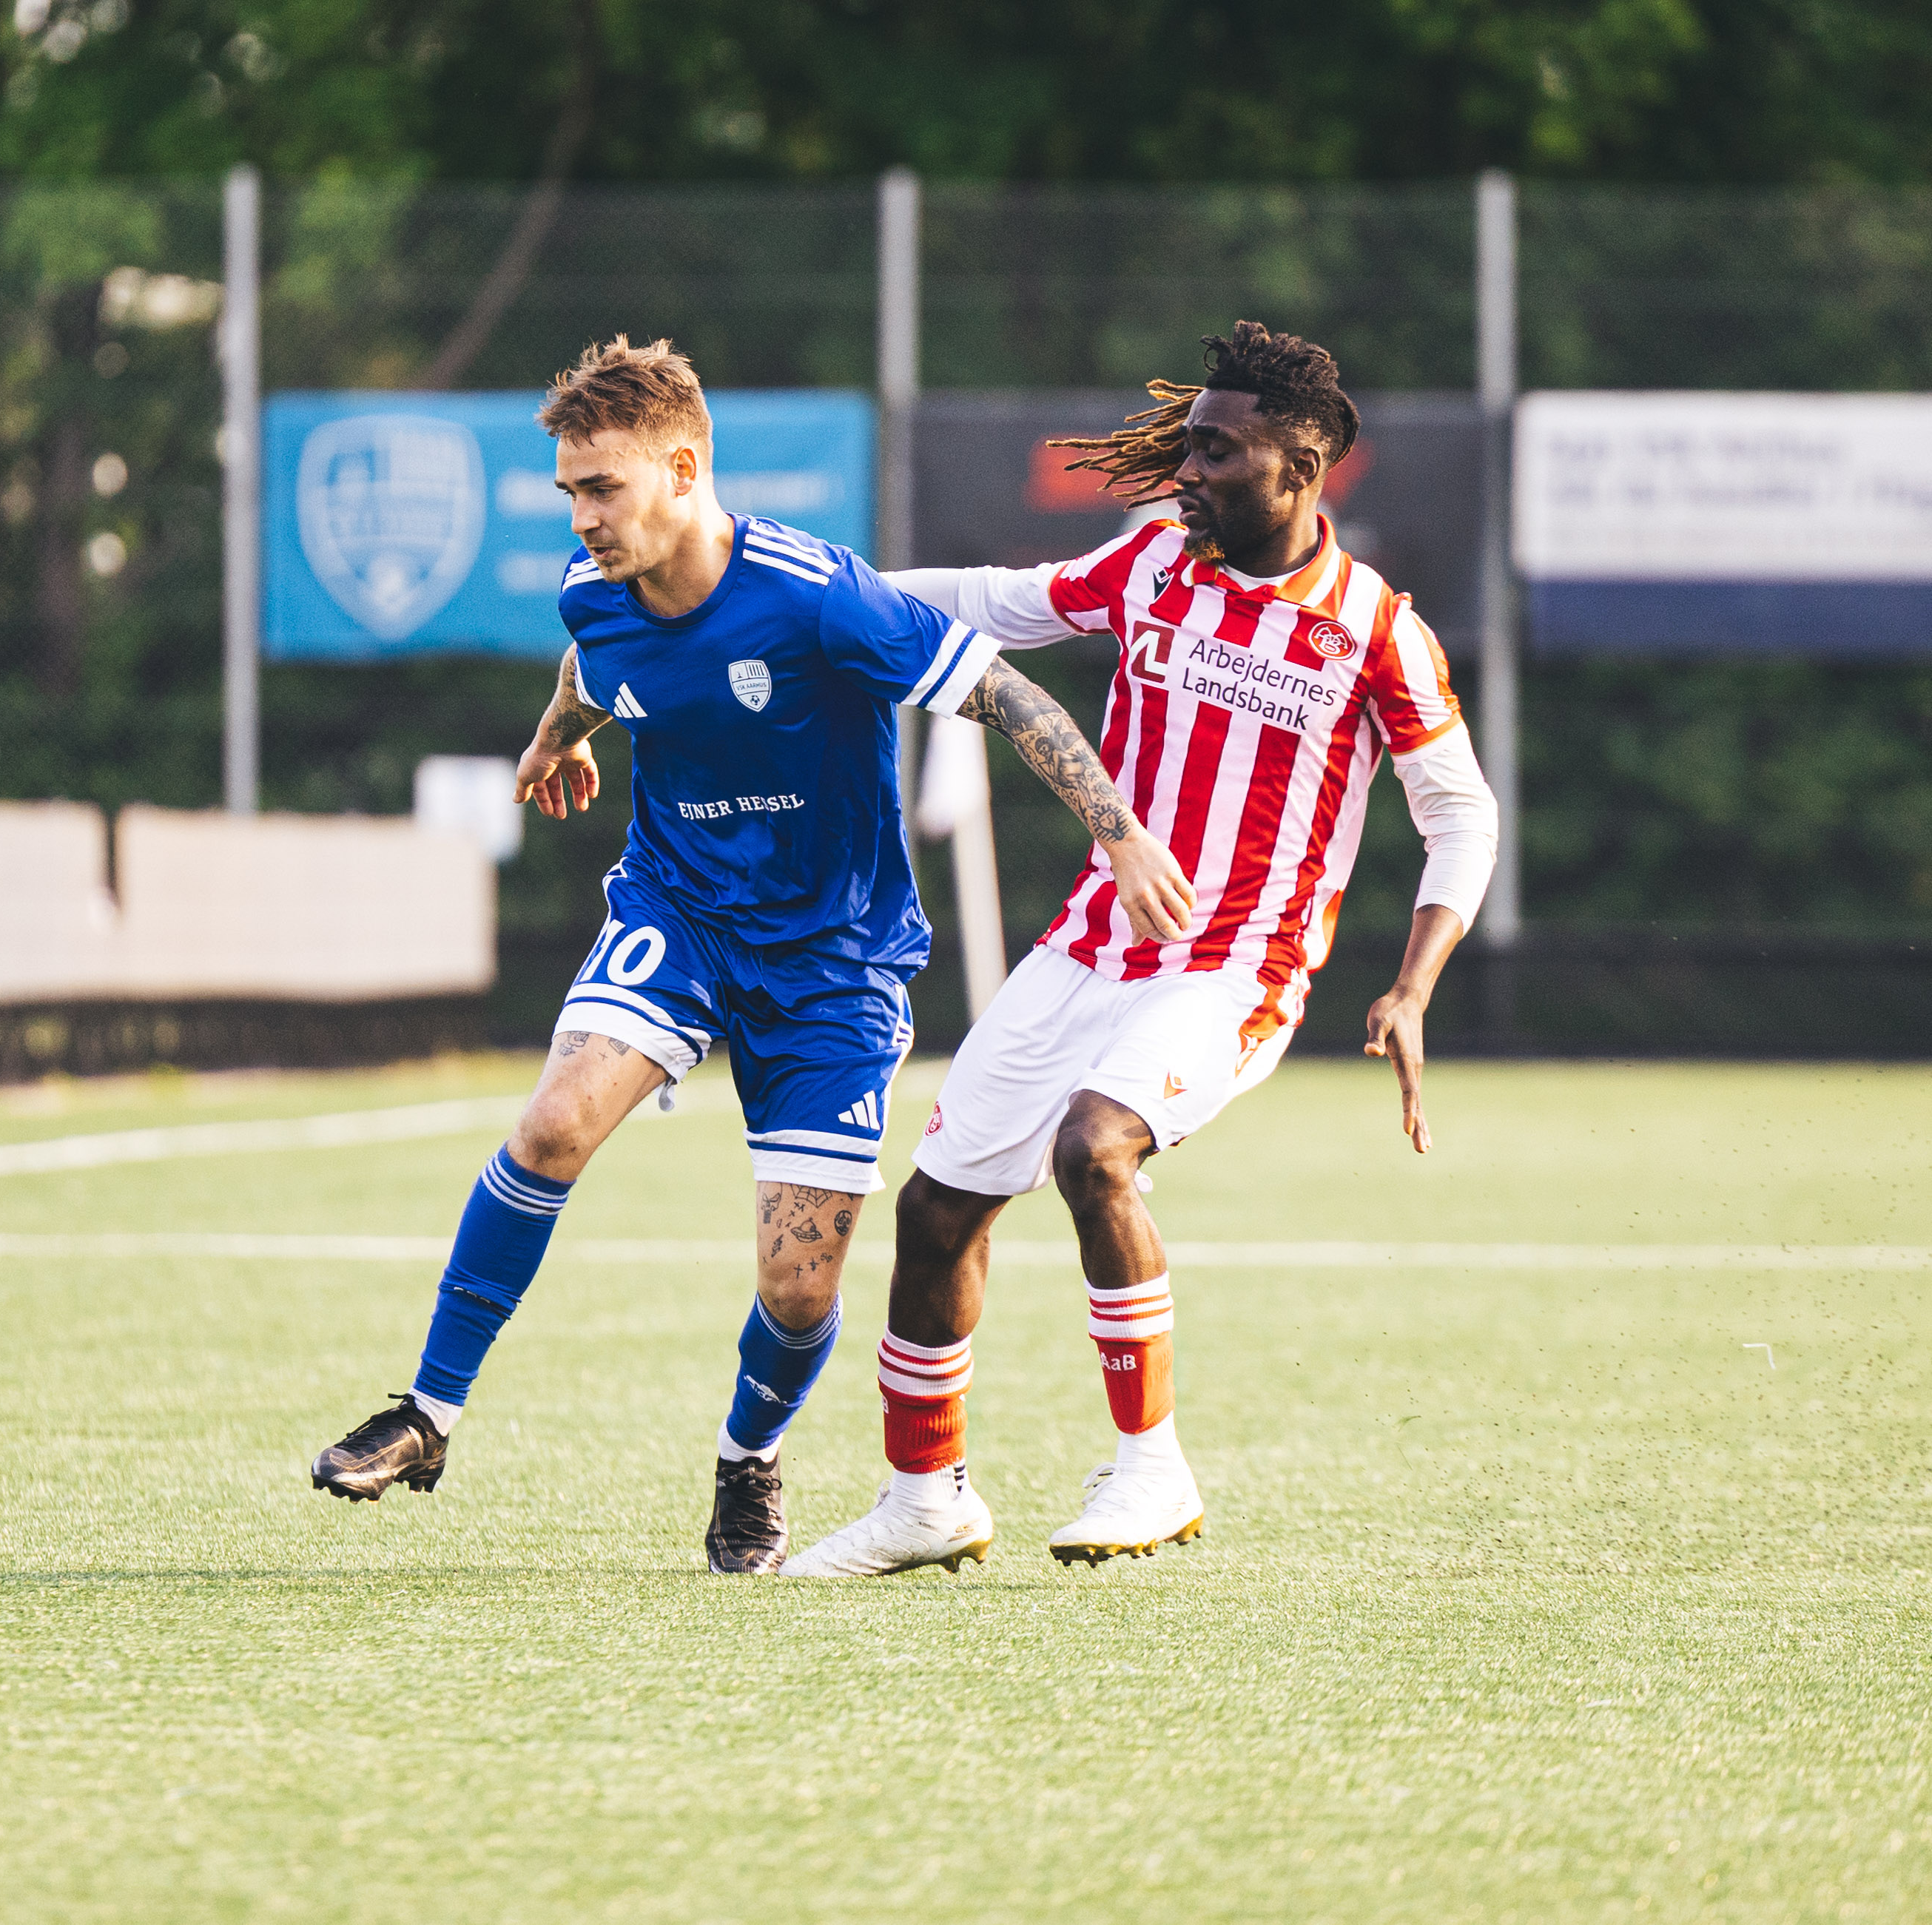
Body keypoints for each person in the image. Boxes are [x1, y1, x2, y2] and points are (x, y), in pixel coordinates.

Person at [308, 338, 1194, 1574]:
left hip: (833, 961)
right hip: (678, 914)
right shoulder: (591, 589)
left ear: (682, 470)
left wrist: (1121, 835)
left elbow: (1006, 696)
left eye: (601, 488)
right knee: (552, 1124)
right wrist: (559, 735)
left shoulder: (818, 595)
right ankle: (427, 1412)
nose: (582, 517)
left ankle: (746, 1459)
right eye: (568, 492)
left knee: (795, 1288)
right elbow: (591, 664)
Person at [784, 322, 1501, 1577]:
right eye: (1187, 447)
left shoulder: (1373, 630)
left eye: (1216, 452)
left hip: (1237, 967)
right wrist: (818, 591)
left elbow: (1459, 813)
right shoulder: (1153, 564)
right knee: (935, 1209)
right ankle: (923, 1500)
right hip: (1087, 949)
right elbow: (999, 602)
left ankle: (1150, 1467)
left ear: (1301, 466)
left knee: (1093, 1146)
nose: (1187, 471)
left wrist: (1410, 983)